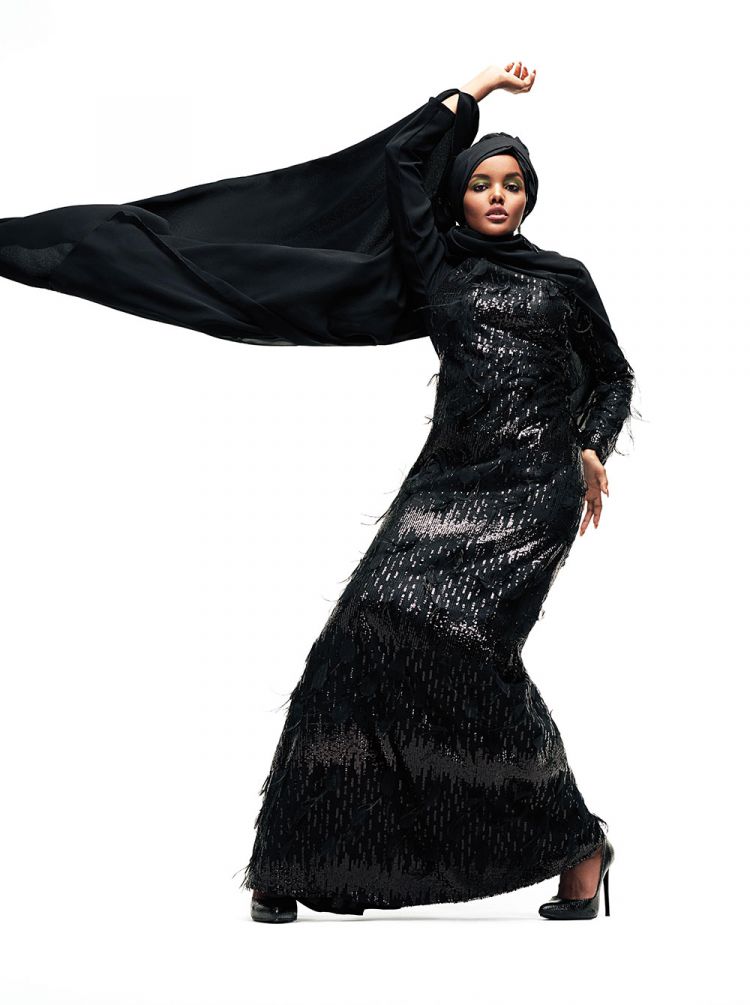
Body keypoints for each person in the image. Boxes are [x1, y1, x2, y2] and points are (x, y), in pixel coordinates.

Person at [245, 62, 634, 923]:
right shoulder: (436, 264)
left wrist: (591, 446)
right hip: (447, 479)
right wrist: (476, 90)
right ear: (459, 196)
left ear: (529, 196)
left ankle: (577, 847)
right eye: (482, 183)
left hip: (532, 493)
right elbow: (401, 162)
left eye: (513, 184)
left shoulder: (564, 277)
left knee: (471, 655)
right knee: (353, 642)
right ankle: (301, 859)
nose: (498, 196)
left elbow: (613, 374)